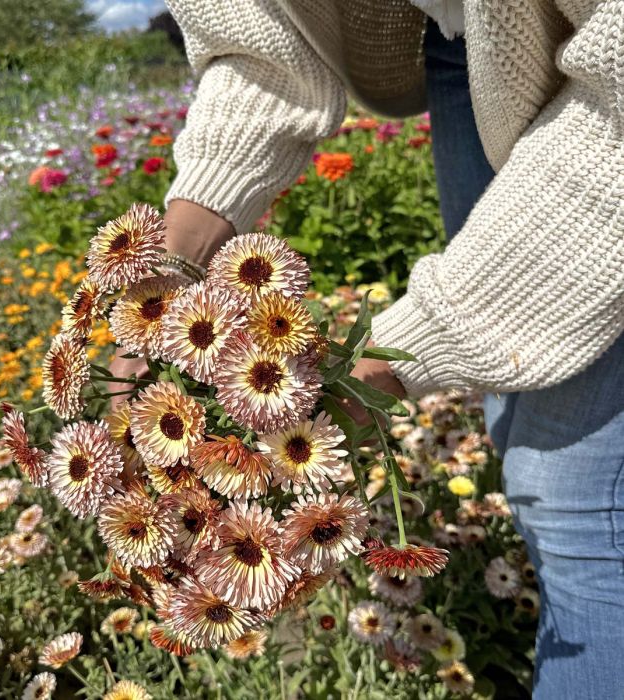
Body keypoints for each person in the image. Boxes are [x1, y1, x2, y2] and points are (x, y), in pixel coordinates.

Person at [112, 2, 624, 696]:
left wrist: (388, 365)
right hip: (468, 43)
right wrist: (168, 268)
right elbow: (258, 37)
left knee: (577, 497)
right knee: (515, 410)